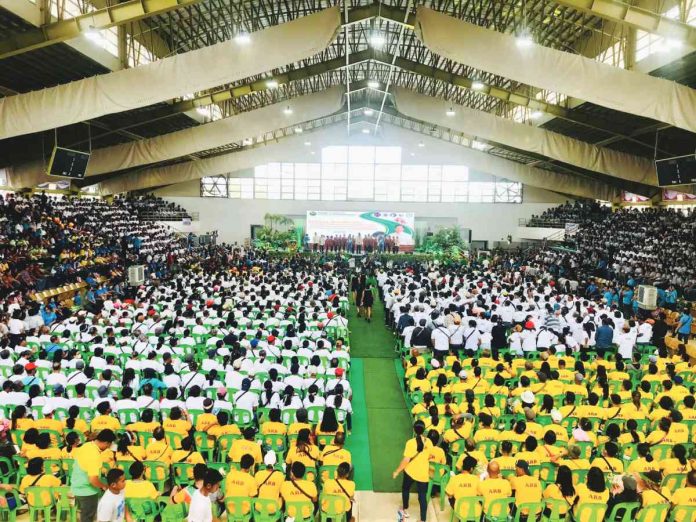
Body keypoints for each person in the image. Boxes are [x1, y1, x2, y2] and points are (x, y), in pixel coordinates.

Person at [71, 429, 117, 522]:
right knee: (88, 517)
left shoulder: (87, 445)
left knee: (84, 515)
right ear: (106, 443)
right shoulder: (94, 455)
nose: (108, 447)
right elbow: (92, 480)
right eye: (109, 445)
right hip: (87, 491)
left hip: (76, 486)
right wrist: (104, 486)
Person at [393, 420, 431, 522]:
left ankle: (405, 510)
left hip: (410, 472)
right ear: (423, 430)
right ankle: (423, 520)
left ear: (414, 430)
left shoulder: (410, 443)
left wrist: (397, 471)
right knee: (422, 497)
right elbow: (429, 456)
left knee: (405, 489)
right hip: (423, 474)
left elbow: (406, 460)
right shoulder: (429, 442)